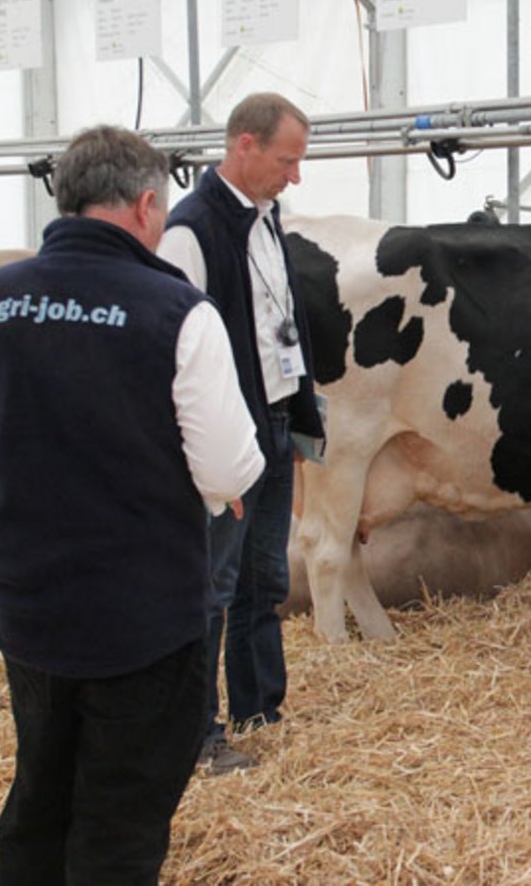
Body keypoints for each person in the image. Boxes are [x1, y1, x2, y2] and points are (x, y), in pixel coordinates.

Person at [0, 125, 264, 883]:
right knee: (121, 822)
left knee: (40, 797)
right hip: (144, 625)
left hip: (31, 617)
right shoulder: (179, 312)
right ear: (147, 205)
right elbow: (228, 464)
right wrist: (224, 489)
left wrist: (7, 554)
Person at [158, 92, 325, 775]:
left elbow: (276, 319)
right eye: (287, 160)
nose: (295, 176)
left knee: (264, 574)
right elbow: (173, 350)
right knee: (211, 583)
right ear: (244, 146)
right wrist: (208, 459)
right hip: (227, 438)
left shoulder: (266, 217)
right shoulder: (189, 231)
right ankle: (197, 732)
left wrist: (298, 410)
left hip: (275, 420)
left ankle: (261, 705)